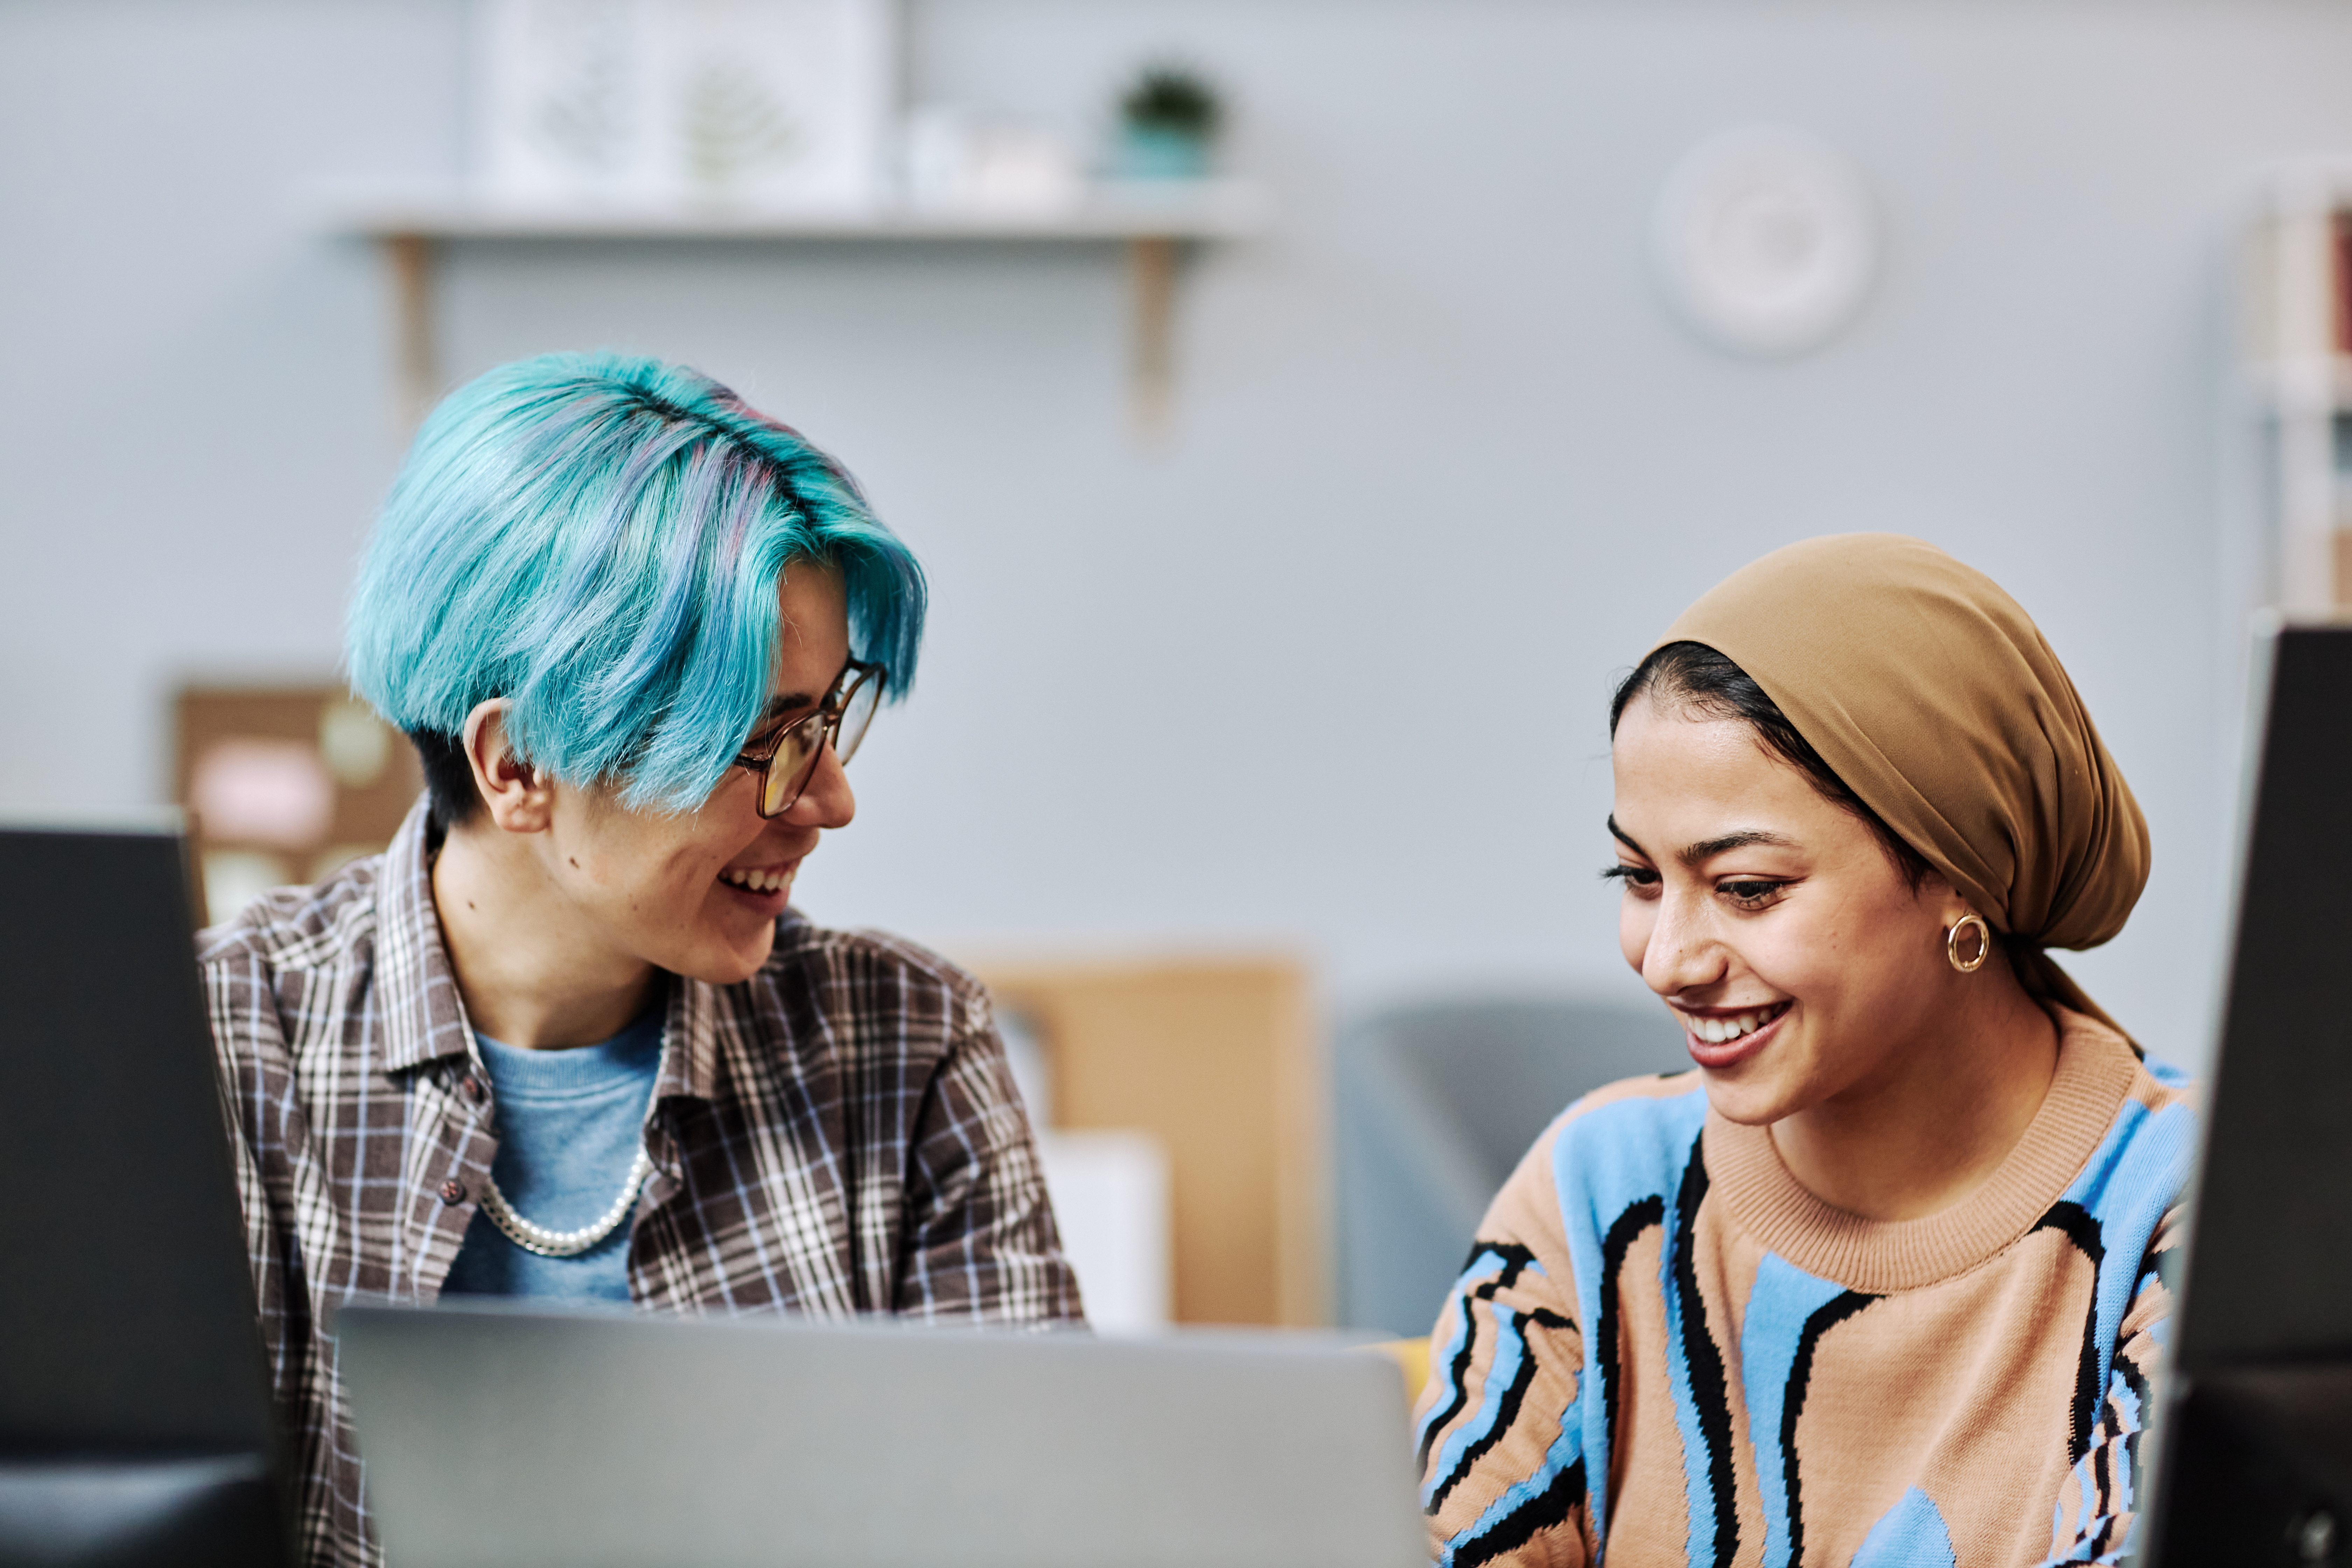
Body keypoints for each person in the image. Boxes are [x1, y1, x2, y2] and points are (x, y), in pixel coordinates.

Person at [200, 352, 1082, 1568]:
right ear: (516, 767)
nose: (830, 799)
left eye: (828, 723)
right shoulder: (217, 1041)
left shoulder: (909, 1044)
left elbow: (1040, 1531)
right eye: (765, 741)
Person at [1413, 535, 2195, 1567]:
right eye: (1638, 879)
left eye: (1747, 889)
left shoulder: (2201, 1211)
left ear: (1962, 873)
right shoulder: (1598, 1194)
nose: (1668, 960)